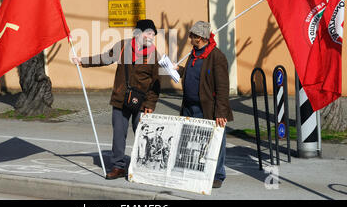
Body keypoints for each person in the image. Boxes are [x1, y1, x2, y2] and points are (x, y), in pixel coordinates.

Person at [72, 19, 160, 179]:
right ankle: (119, 166)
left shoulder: (154, 54)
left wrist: (150, 104)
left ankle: (144, 167)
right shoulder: (123, 46)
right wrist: (83, 61)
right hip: (121, 98)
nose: (151, 37)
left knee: (143, 135)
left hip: (142, 102)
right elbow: (105, 58)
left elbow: (156, 83)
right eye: (149, 33)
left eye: (153, 35)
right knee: (119, 134)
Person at [174, 21, 233, 189]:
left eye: (192, 35)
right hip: (190, 106)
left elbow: (222, 87)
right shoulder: (194, 53)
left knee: (215, 141)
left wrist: (221, 112)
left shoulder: (216, 56)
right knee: (193, 141)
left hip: (209, 108)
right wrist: (179, 70)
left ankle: (218, 175)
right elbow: (194, 75)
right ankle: (196, 170)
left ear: (199, 38)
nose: (189, 38)